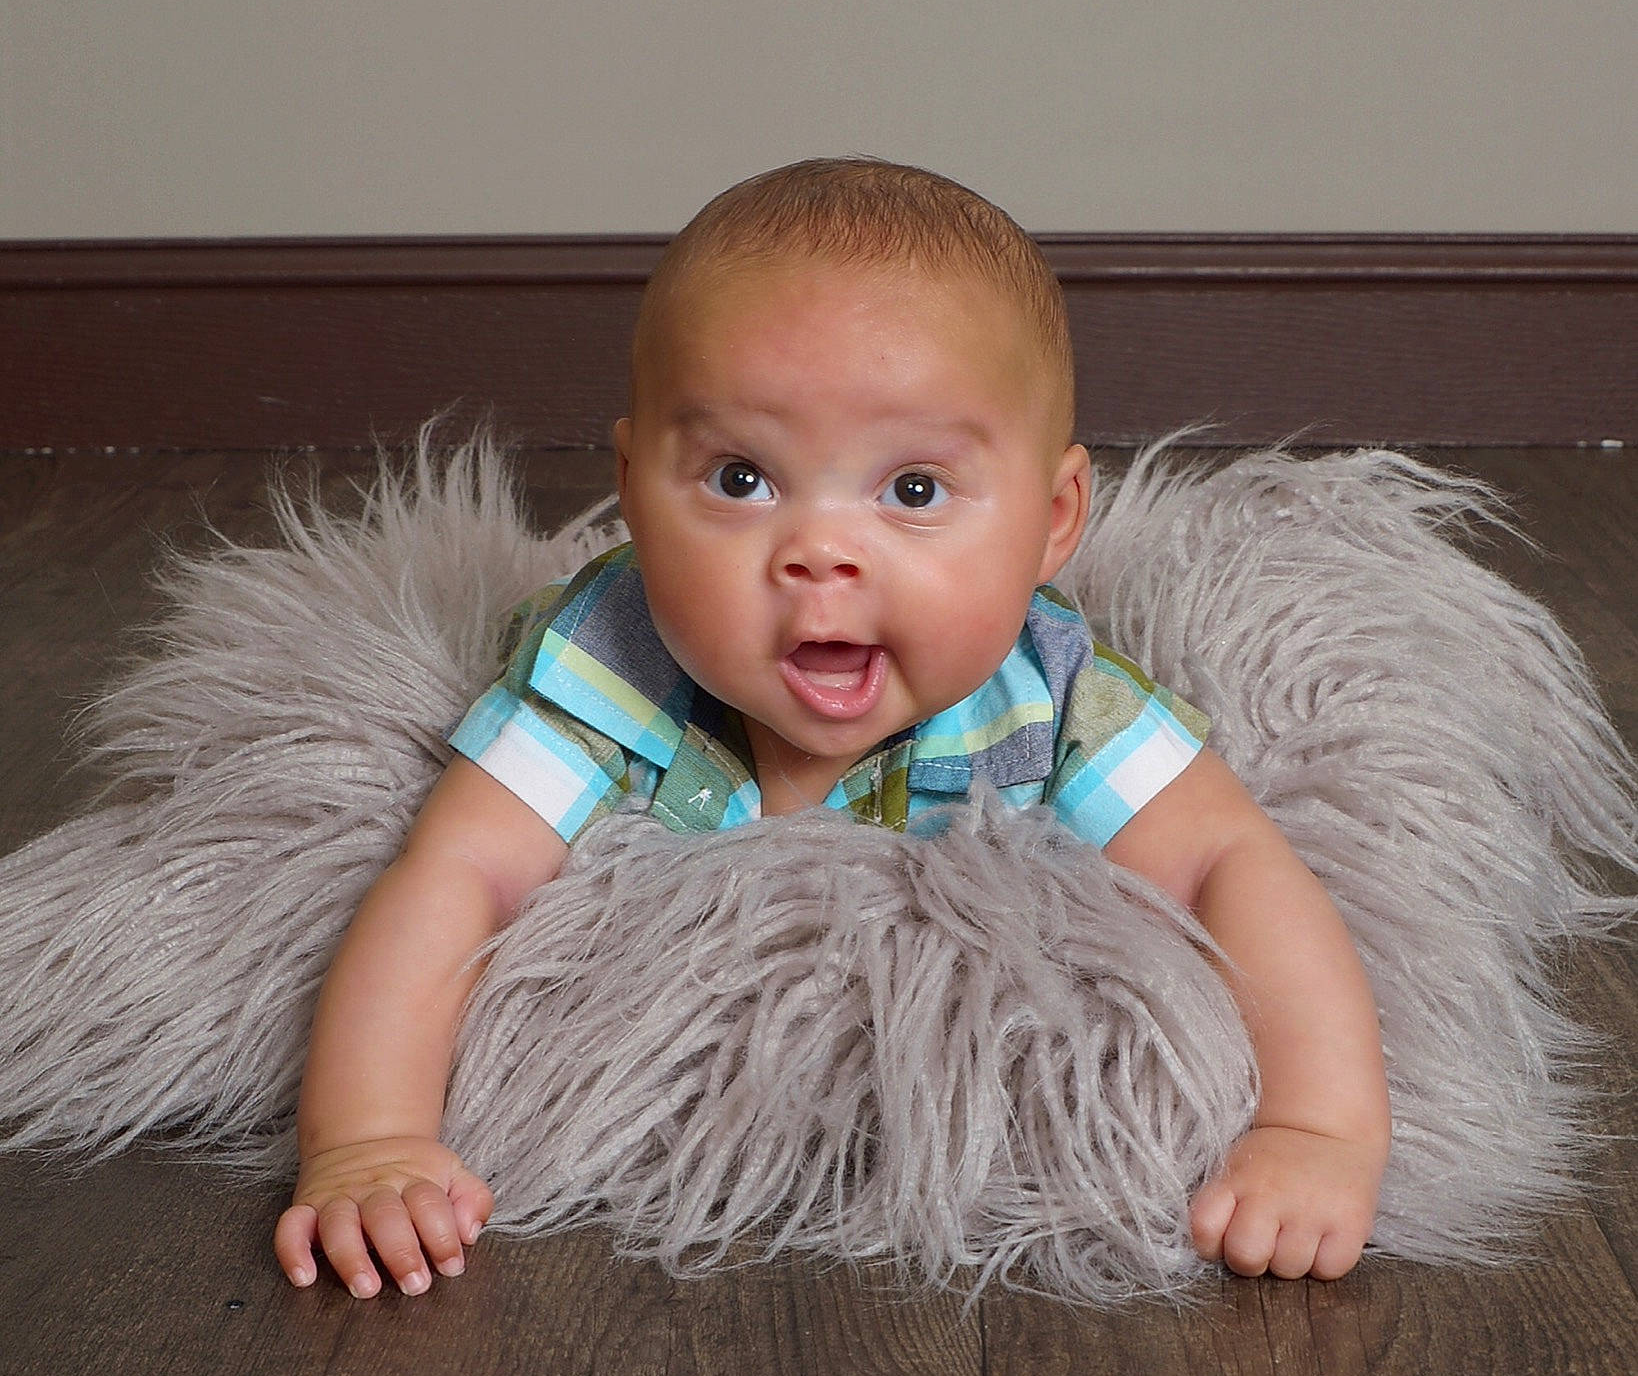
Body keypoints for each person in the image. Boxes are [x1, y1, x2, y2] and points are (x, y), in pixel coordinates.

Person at [274, 159, 1391, 1301]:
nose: (820, 553)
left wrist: (1318, 1125)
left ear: (1053, 522)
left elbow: (1227, 861)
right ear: (634, 487)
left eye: (914, 491)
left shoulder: (1047, 692)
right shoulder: (610, 664)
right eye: (741, 477)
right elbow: (456, 875)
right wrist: (369, 1138)